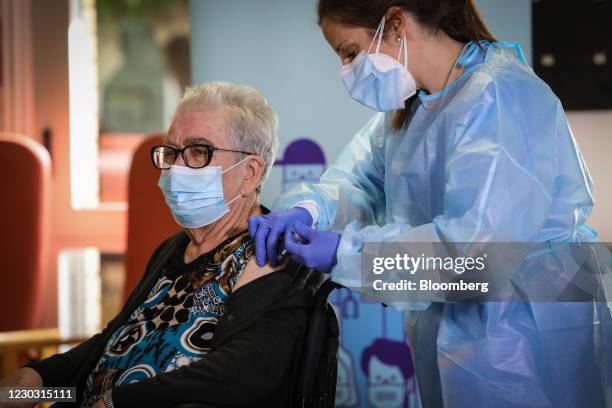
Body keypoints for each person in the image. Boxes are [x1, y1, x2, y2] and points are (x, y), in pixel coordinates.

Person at [249, 0, 612, 407]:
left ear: (397, 24)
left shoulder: (501, 97)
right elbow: (358, 182)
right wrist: (309, 211)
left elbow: (477, 257)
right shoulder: (413, 109)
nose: (347, 71)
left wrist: (345, 253)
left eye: (350, 52)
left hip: (524, 337)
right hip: (459, 333)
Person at [0, 82, 325, 408]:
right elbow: (113, 341)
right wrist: (33, 382)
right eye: (171, 152)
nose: (177, 167)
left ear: (250, 174)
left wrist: (117, 402)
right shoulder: (173, 249)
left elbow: (245, 374)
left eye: (199, 152)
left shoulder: (273, 254)